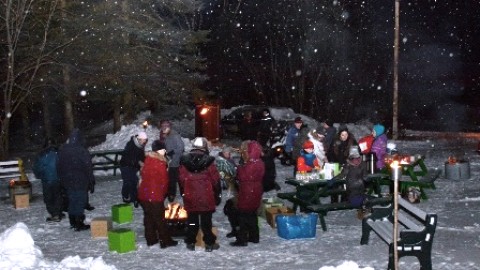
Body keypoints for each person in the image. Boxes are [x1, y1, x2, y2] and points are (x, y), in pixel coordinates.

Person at [179, 137, 221, 252]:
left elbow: (181, 179)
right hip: (205, 196)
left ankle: (191, 242)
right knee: (206, 222)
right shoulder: (209, 162)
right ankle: (209, 243)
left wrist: (185, 191)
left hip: (190, 195)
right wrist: (217, 194)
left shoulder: (185, 161)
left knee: (192, 221)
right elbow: (215, 180)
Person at [137, 140, 178, 249]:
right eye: (163, 149)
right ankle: (165, 241)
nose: (165, 151)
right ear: (160, 150)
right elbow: (164, 182)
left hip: (144, 195)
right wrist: (164, 193)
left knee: (149, 218)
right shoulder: (160, 163)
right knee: (160, 219)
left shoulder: (148, 160)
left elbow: (143, 176)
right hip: (154, 195)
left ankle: (151, 240)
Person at [57, 128, 95, 231]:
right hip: (80, 180)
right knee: (79, 200)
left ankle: (73, 221)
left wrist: (62, 179)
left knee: (72, 200)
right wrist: (91, 181)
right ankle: (79, 223)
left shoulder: (63, 150)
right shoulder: (81, 150)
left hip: (68, 181)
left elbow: (59, 166)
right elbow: (88, 167)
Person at [230, 140, 265, 247]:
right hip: (256, 189)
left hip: (247, 190)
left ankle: (242, 239)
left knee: (242, 215)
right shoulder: (260, 162)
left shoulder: (250, 165)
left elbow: (243, 177)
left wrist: (239, 168)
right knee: (252, 214)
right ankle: (254, 237)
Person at [333, 146, 371, 218]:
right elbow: (365, 176)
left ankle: (361, 212)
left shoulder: (348, 164)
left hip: (351, 185)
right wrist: (368, 182)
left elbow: (343, 174)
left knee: (354, 199)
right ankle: (362, 211)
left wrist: (333, 179)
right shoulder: (362, 163)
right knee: (360, 197)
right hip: (360, 185)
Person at [33, 138, 63, 223]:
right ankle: (58, 212)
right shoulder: (59, 153)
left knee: (49, 198)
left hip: (47, 180)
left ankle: (54, 214)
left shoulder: (41, 155)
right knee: (58, 196)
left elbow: (37, 168)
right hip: (57, 179)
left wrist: (40, 175)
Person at [159, 120, 185, 202]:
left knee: (174, 178)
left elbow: (181, 147)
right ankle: (171, 192)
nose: (164, 127)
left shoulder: (174, 135)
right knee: (170, 178)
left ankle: (173, 194)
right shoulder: (163, 135)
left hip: (175, 160)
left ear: (169, 126)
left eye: (166, 125)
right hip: (168, 160)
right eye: (163, 125)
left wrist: (172, 152)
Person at [120, 131, 147, 207]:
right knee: (128, 182)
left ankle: (134, 198)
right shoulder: (130, 145)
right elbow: (129, 157)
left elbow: (141, 156)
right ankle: (125, 195)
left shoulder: (141, 145)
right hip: (125, 166)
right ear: (139, 139)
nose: (145, 141)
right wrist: (138, 162)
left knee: (134, 182)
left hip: (133, 166)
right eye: (144, 139)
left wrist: (145, 161)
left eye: (145, 139)